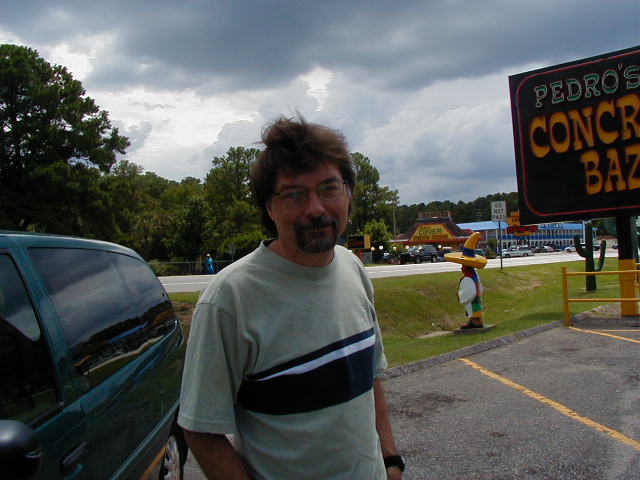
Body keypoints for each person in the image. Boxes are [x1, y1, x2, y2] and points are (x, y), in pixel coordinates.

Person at [178, 115, 404, 479]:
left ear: (348, 194)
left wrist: (390, 460)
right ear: (269, 207)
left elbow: (370, 376)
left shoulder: (353, 269)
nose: (315, 208)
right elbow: (201, 429)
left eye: (329, 188)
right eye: (294, 194)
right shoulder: (229, 300)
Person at [444, 232, 487, 329]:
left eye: (463, 266)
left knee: (473, 310)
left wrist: (461, 294)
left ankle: (476, 322)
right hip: (477, 298)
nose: (462, 268)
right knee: (475, 310)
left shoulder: (469, 278)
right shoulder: (475, 275)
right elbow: (480, 288)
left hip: (473, 298)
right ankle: (474, 321)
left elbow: (470, 291)